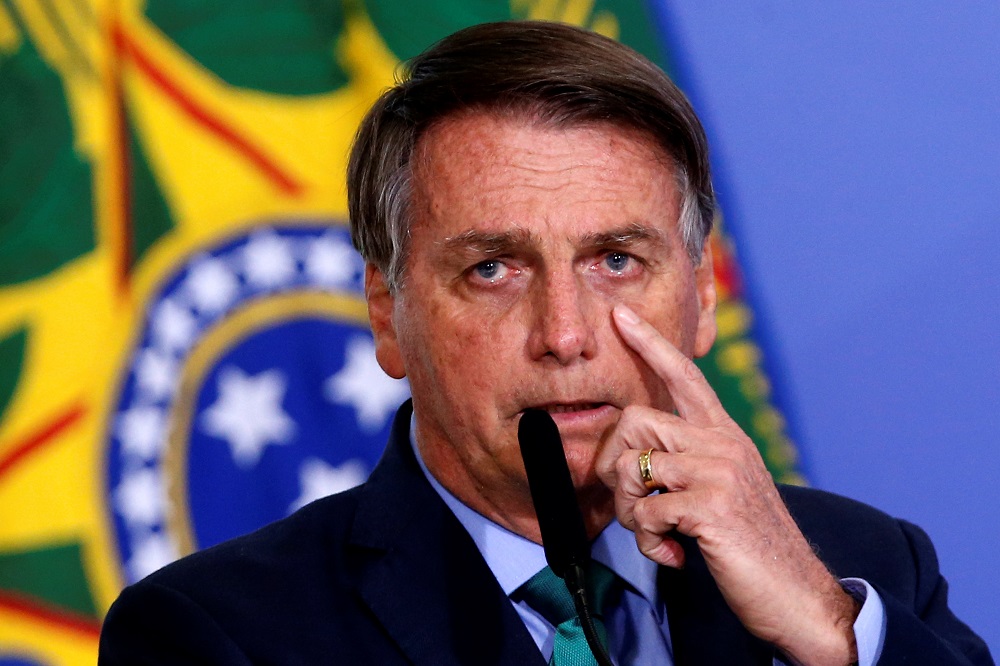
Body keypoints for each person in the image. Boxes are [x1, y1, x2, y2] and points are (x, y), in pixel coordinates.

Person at [99, 20, 993, 666]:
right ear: (387, 311)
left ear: (704, 296)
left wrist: (833, 634)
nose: (564, 336)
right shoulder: (216, 635)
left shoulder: (864, 571)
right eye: (494, 269)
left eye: (615, 259)